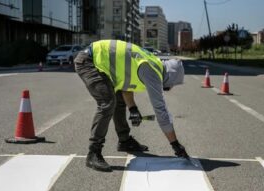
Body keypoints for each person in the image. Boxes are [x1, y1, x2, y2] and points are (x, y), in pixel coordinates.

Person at [74, 40, 189, 172]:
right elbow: (160, 110)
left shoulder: (153, 63)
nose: (171, 88)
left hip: (97, 61)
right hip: (90, 62)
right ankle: (93, 153)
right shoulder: (153, 72)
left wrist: (133, 109)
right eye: (173, 84)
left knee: (118, 99)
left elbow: (125, 83)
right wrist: (175, 145)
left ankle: (124, 141)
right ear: (171, 77)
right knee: (107, 103)